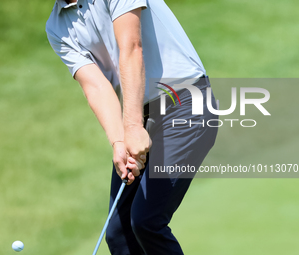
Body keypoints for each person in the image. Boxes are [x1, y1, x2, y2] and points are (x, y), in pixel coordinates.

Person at [46, 0, 218, 254]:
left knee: (147, 221)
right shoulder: (57, 26)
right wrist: (119, 142)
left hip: (186, 102)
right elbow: (96, 86)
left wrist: (133, 126)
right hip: (140, 114)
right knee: (119, 232)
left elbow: (132, 47)